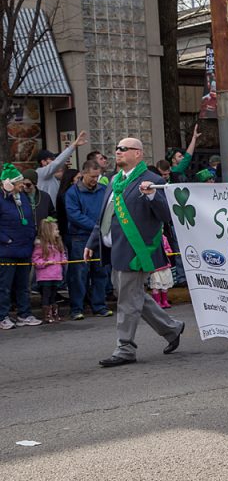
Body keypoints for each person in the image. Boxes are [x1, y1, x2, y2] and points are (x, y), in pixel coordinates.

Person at [84, 138, 185, 367]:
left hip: (136, 250)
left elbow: (167, 215)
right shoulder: (114, 180)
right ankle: (171, 328)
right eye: (117, 148)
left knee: (128, 301)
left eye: (123, 149)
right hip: (114, 249)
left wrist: (151, 195)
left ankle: (125, 348)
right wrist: (92, 241)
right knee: (132, 296)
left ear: (138, 153)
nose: (117, 152)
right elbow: (104, 216)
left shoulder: (153, 180)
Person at [65, 160, 111, 320]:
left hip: (99, 237)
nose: (94, 180)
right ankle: (77, 308)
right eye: (92, 176)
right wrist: (96, 226)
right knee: (79, 274)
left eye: (97, 176)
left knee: (100, 272)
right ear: (84, 173)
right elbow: (74, 215)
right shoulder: (72, 192)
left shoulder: (103, 190)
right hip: (80, 237)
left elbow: (108, 208)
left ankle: (99, 305)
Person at [0, 164, 42, 329]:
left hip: (25, 248)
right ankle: (3, 316)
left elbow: (29, 218)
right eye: (19, 183)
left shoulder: (22, 197)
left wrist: (32, 236)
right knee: (4, 287)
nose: (22, 186)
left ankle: (24, 314)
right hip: (7, 250)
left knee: (23, 286)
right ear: (9, 184)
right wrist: (6, 240)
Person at [36, 131, 88, 205]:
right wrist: (73, 145)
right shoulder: (41, 173)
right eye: (51, 159)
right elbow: (58, 162)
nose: (54, 161)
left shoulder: (51, 175)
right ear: (43, 162)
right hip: (47, 214)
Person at [32, 217, 67, 323]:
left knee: (54, 295)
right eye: (56, 230)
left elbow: (62, 254)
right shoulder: (40, 245)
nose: (58, 231)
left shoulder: (58, 244)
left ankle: (54, 313)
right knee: (46, 296)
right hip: (45, 277)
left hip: (56, 275)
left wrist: (64, 260)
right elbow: (35, 260)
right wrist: (45, 263)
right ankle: (47, 314)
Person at [149, 235, 174, 309]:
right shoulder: (148, 238)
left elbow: (169, 249)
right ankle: (157, 302)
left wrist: (167, 251)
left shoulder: (164, 238)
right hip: (155, 267)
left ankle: (164, 301)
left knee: (165, 284)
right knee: (156, 284)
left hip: (165, 265)